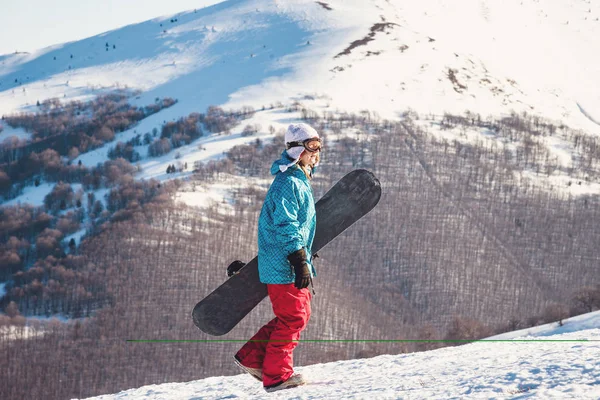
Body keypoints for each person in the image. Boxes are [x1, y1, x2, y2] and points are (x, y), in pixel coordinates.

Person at [234, 123, 322, 393]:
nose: (317, 153)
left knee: (297, 315)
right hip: (284, 264)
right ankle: (277, 376)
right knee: (294, 318)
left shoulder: (297, 180)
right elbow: (286, 224)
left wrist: (304, 253)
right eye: (312, 147)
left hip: (287, 260)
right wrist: (297, 257)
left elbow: (295, 225)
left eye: (319, 146)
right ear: (298, 150)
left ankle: (253, 357)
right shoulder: (289, 183)